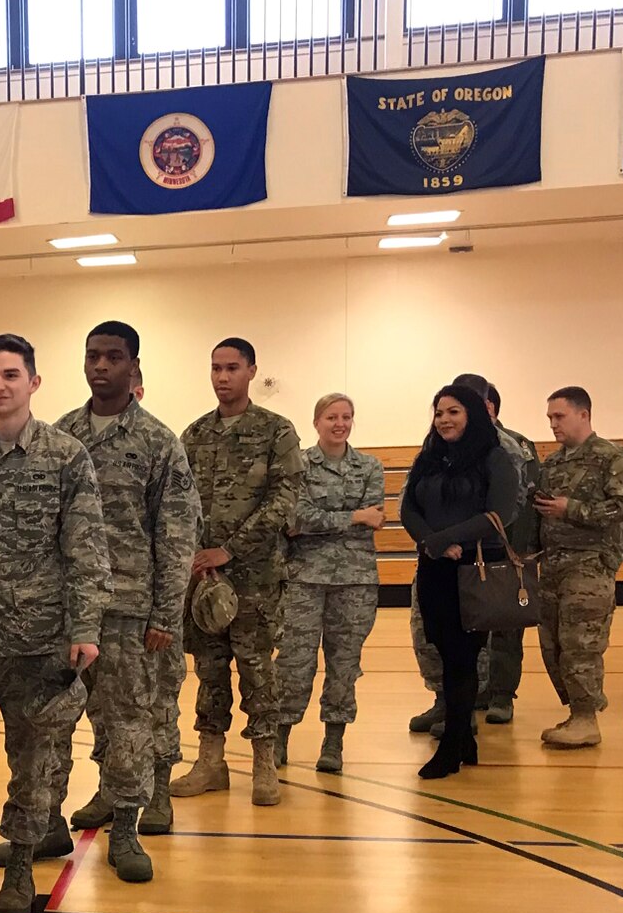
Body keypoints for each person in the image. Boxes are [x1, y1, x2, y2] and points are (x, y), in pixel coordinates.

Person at [0, 333, 110, 913]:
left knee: (34, 761)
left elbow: (87, 548)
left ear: (34, 383)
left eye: (11, 375)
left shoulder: (66, 457)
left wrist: (84, 626)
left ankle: (19, 868)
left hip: (37, 640)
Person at [48, 321, 198, 883]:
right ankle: (49, 821)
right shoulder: (60, 436)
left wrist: (165, 614)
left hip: (133, 608)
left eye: (113, 357)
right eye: (93, 356)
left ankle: (127, 827)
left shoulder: (158, 442)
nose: (101, 366)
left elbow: (177, 534)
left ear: (134, 365)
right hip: (69, 609)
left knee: (131, 719)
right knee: (60, 717)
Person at [174, 337, 302, 806]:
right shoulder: (194, 434)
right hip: (203, 580)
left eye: (232, 368)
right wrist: (194, 555)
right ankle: (211, 762)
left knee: (255, 670)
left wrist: (228, 550)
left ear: (252, 371)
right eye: (215, 368)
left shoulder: (276, 432)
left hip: (255, 579)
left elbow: (284, 500)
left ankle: (264, 763)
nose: (222, 377)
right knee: (208, 672)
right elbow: (179, 502)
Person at [399, 384, 521, 779]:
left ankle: (453, 743)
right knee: (444, 651)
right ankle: (464, 741)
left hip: (475, 569)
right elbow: (408, 507)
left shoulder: (494, 457)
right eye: (439, 413)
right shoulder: (430, 457)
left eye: (453, 412)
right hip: (435, 566)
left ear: (471, 414)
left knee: (462, 658)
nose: (445, 420)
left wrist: (449, 539)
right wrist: (431, 543)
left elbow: (501, 513)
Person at [276, 393, 385, 774]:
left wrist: (335, 519)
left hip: (356, 582)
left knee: (344, 664)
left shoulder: (369, 466)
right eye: (331, 417)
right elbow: (297, 518)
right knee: (293, 663)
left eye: (346, 417)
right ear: (316, 421)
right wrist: (354, 516)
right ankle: (280, 736)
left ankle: (333, 742)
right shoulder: (299, 465)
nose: (339, 424)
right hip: (304, 579)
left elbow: (377, 516)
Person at [530, 387, 623, 749]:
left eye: (559, 417)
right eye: (549, 418)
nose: (553, 424)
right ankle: (576, 711)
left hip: (589, 567)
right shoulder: (554, 463)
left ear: (583, 415)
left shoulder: (611, 457)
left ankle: (586, 718)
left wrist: (571, 509)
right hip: (554, 565)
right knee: (553, 645)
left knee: (581, 645)